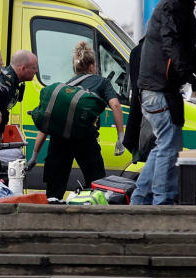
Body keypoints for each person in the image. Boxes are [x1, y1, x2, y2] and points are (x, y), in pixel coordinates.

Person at [131, 0, 196, 206]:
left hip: (156, 88)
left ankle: (140, 199)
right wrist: (191, 76)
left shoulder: (179, 6)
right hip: (158, 89)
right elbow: (173, 45)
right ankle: (163, 203)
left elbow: (188, 49)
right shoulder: (172, 6)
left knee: (162, 145)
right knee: (170, 144)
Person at [28, 41, 125, 199]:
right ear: (92, 66)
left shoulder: (65, 88)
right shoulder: (102, 82)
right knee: (97, 183)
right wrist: (120, 136)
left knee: (54, 192)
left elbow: (48, 123)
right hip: (85, 139)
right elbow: (115, 105)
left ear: (75, 68)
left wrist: (34, 155)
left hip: (59, 140)